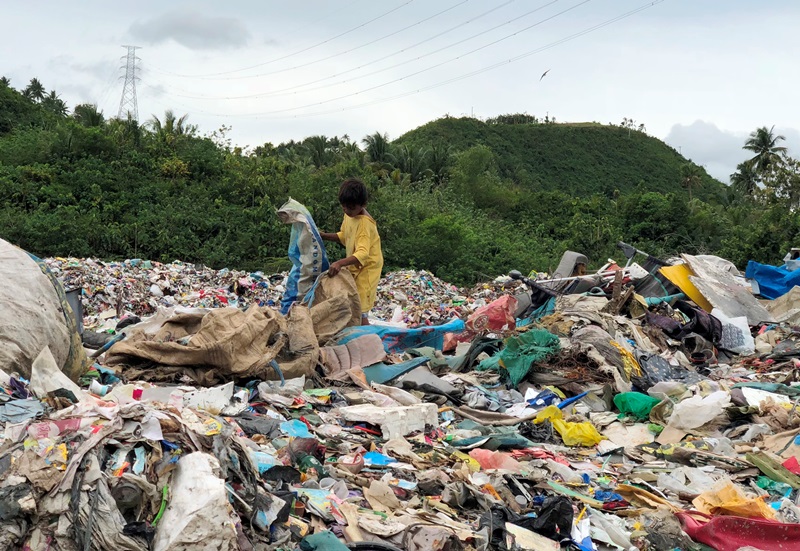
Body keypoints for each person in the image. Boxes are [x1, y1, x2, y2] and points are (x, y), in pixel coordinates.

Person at [321, 178, 384, 325]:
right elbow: (344, 235)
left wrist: (339, 263)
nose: (347, 211)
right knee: (351, 301)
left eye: (350, 208)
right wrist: (324, 236)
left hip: (368, 267)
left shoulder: (364, 224)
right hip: (356, 265)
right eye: (344, 207)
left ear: (362, 205)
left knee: (360, 307)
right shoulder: (350, 215)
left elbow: (363, 253)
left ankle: (368, 341)